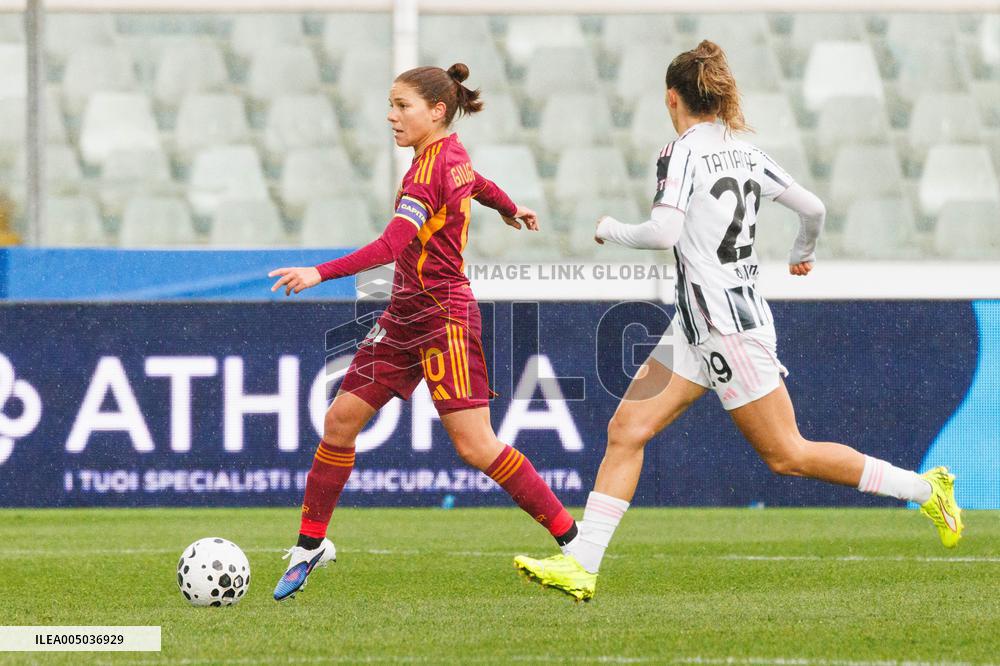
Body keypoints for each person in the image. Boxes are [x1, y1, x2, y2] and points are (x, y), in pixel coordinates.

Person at [513, 40, 963, 602]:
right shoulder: (747, 152)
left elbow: (664, 233)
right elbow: (814, 208)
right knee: (626, 430)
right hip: (697, 324)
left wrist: (610, 229)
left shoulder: (680, 152)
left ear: (672, 98)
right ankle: (583, 563)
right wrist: (805, 252)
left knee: (787, 454)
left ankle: (926, 488)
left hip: (726, 325)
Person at [267, 63, 580, 601]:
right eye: (391, 105)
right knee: (340, 422)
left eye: (402, 105)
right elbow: (476, 184)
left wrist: (319, 271)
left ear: (436, 111)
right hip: (402, 317)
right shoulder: (450, 155)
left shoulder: (426, 172)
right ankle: (311, 544)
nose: (392, 116)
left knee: (477, 446)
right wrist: (510, 208)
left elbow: (389, 247)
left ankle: (576, 544)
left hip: (444, 318)